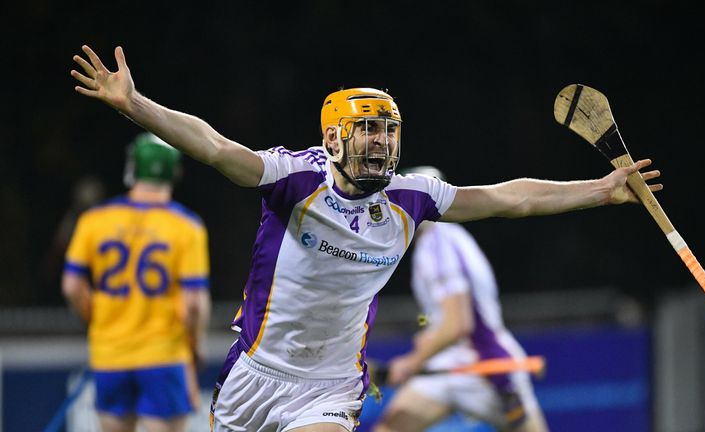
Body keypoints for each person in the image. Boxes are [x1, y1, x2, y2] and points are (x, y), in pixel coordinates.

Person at [70, 45, 662, 432]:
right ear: (332, 140)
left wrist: (601, 189)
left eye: (389, 131)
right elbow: (215, 147)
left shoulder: (411, 199)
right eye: (367, 132)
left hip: (328, 388)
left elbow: (512, 197)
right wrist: (136, 105)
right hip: (253, 375)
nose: (382, 143)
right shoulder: (293, 179)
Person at [373, 166, 549, 432]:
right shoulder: (442, 241)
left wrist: (412, 361)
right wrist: (430, 337)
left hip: (486, 367)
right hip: (446, 363)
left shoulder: (438, 245)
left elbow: (459, 323)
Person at [61, 131, 212, 432]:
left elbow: (71, 286)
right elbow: (194, 303)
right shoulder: (187, 226)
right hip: (164, 355)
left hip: (110, 357)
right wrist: (195, 345)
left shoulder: (95, 221)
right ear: (175, 171)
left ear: (132, 169)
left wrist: (97, 321)